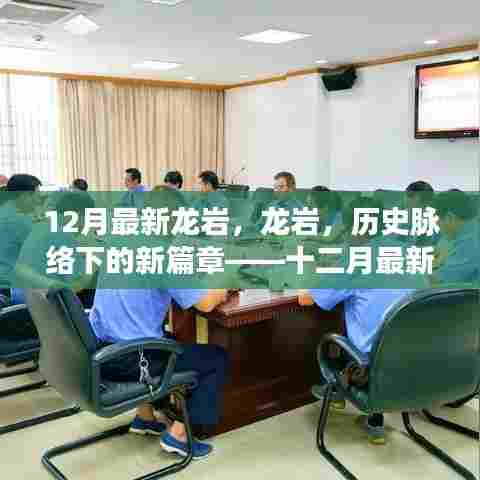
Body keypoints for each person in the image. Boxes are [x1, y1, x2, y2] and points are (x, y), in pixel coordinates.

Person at [297, 196, 423, 445]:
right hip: (410, 359)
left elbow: (305, 299)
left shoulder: (356, 259)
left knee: (336, 337)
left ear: (356, 230)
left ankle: (339, 386)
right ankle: (366, 410)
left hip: (370, 366)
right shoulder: (407, 251)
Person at [89, 288, 230, 459]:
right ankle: (179, 436)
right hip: (129, 358)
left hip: (100, 352)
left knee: (159, 334)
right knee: (215, 359)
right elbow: (206, 304)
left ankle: (145, 417)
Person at [0, 174, 42, 299]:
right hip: (12, 286)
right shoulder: (18, 220)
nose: (38, 200)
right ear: (24, 195)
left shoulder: (6, 211)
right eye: (36, 195)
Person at [431, 190, 479, 285]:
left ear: (449, 217)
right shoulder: (465, 231)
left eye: (437, 222)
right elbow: (438, 251)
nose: (438, 227)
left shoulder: (470, 243)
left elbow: (437, 282)